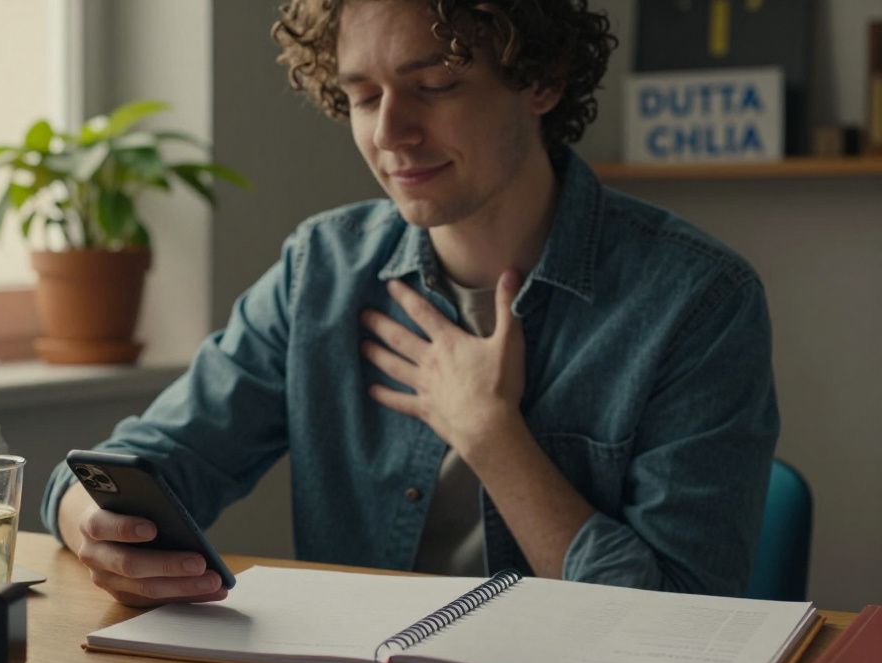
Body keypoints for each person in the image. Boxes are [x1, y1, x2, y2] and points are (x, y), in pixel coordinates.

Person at [41, 0, 779, 607]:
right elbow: (121, 469)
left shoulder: (699, 302)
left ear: (542, 81)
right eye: (364, 97)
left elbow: (681, 620)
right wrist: (93, 523)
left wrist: (491, 435)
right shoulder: (320, 272)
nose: (389, 133)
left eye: (436, 85)